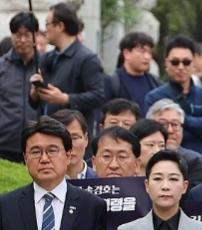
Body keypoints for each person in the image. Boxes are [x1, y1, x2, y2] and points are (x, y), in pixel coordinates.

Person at [29, 3, 105, 138]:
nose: (45, 30)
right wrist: (35, 92)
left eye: (47, 24)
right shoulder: (46, 58)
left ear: (60, 26)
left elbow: (98, 96)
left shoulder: (87, 58)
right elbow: (36, 103)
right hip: (46, 133)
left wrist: (65, 98)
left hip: (72, 137)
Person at [144, 36, 202, 167]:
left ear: (194, 62)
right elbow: (152, 131)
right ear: (166, 64)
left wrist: (181, 119)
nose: (180, 67)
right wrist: (198, 126)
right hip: (164, 163)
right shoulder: (155, 97)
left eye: (186, 62)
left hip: (201, 162)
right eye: (175, 62)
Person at [0, 12, 39, 162]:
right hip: (5, 143)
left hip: (37, 142)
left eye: (27, 35)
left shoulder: (44, 66)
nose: (22, 40)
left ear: (35, 35)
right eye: (17, 35)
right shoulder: (2, 66)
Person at [145, 98, 202, 188]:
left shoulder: (194, 161)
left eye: (175, 124)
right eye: (163, 124)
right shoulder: (138, 158)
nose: (170, 130)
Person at [104, 32, 160, 108]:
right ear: (126, 53)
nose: (147, 57)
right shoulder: (112, 82)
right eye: (142, 51)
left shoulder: (155, 83)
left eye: (149, 52)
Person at [51, 109, 95, 178]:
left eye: (75, 138)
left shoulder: (102, 182)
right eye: (62, 138)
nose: (70, 146)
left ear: (86, 139)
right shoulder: (41, 183)